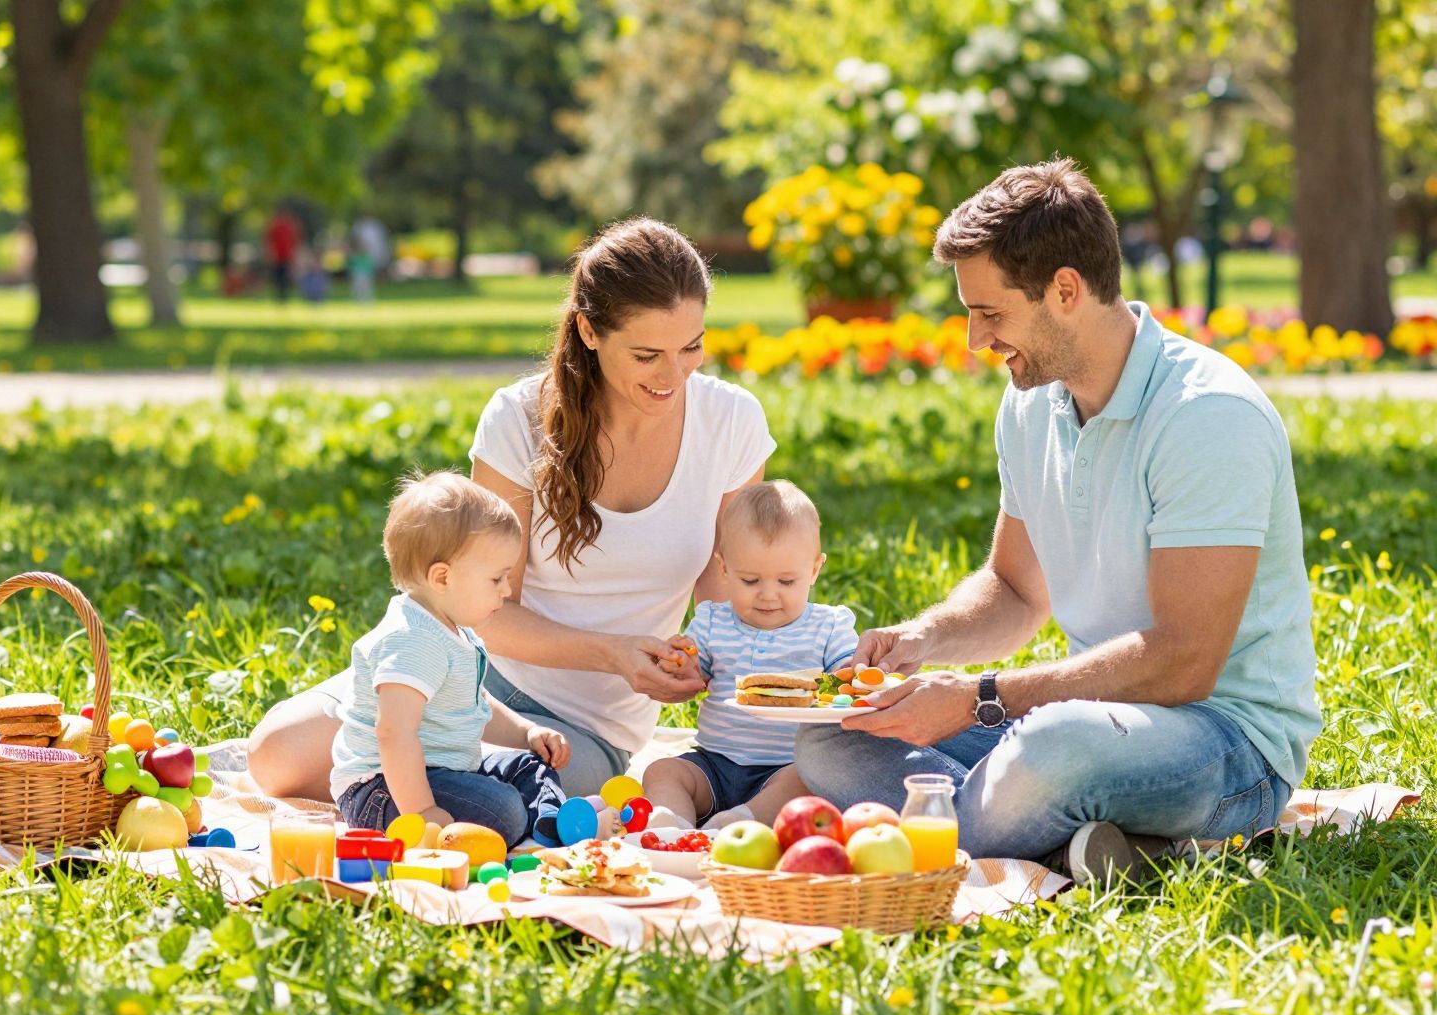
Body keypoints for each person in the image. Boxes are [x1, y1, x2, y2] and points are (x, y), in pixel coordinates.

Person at [794, 159, 1320, 883]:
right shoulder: (1031, 402)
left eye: (992, 313)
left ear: (1066, 290)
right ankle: (1087, 842)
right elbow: (1014, 590)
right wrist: (924, 640)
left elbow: (1184, 661)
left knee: (1052, 752)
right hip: (1083, 713)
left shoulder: (1206, 416)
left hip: (1226, 743)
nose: (977, 341)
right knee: (829, 745)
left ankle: (978, 826)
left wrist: (980, 700)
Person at [247, 217, 775, 801]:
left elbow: (722, 584)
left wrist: (705, 658)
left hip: (579, 728)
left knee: (497, 803)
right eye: (648, 354)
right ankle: (403, 774)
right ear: (590, 331)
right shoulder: (518, 418)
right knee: (275, 755)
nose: (674, 375)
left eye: (692, 347)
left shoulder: (731, 422)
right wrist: (613, 654)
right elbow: (486, 613)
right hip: (461, 674)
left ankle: (402, 779)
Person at [332, 472, 568, 847]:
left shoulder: (455, 631)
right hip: (383, 790)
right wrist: (420, 811)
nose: (508, 590)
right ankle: (529, 823)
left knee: (528, 765)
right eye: (497, 579)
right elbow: (393, 733)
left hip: (443, 769)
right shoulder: (413, 640)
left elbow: (472, 704)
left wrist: (526, 733)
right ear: (442, 578)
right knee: (503, 808)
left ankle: (553, 823)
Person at [642, 481, 858, 831]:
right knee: (662, 771)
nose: (768, 595)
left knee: (807, 784)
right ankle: (674, 826)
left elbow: (847, 678)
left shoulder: (829, 626)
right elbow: (695, 672)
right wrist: (679, 662)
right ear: (724, 568)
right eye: (750, 580)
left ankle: (740, 822)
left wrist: (852, 672)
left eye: (786, 582)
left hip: (784, 766)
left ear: (815, 570)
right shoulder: (714, 620)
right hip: (714, 763)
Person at [264, 205, 300, 304]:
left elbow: (294, 241)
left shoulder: (290, 225)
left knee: (285, 278)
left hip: (286, 256)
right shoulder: (276, 225)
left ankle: (284, 297)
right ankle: (279, 297)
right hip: (278, 257)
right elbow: (269, 240)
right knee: (278, 278)